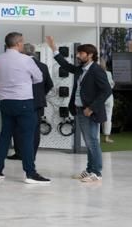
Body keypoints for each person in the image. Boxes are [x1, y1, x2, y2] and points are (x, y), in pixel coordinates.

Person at [48, 37, 112, 184]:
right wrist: (54, 49)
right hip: (80, 110)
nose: (78, 55)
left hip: (90, 111)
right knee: (89, 142)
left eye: (81, 53)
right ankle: (89, 170)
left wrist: (92, 107)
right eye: (78, 53)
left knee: (93, 142)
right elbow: (66, 65)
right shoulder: (81, 69)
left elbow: (106, 91)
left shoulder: (96, 70)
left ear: (90, 55)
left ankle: (97, 173)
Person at [0, 32, 50, 184]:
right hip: (23, 101)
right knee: (27, 137)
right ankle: (30, 173)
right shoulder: (26, 60)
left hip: (5, 101)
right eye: (22, 42)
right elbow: (38, 78)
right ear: (18, 43)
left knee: (5, 136)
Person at [22, 43, 53, 160]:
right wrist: (40, 94)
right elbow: (50, 84)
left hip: (23, 101)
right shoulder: (43, 66)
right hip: (38, 103)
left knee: (22, 129)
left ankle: (23, 155)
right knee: (35, 130)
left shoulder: (21, 65)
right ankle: (32, 156)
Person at [101, 61, 115, 143]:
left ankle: (99, 136)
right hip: (108, 96)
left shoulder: (93, 73)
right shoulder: (108, 73)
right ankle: (106, 137)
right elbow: (112, 85)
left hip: (100, 96)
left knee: (96, 116)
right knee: (108, 116)